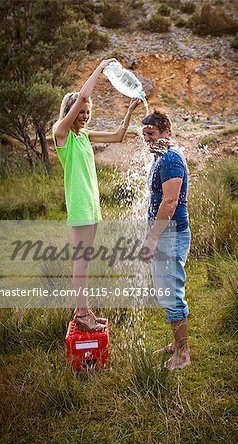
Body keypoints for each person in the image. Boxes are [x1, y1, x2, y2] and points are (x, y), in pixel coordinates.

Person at [53, 58, 140, 332]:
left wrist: (129, 112)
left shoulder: (84, 137)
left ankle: (86, 310)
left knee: (85, 262)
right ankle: (81, 313)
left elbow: (118, 137)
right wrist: (101, 67)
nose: (85, 115)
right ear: (71, 110)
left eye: (88, 112)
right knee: (81, 261)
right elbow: (84, 95)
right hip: (79, 207)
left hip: (91, 206)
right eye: (81, 111)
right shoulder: (62, 134)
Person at [141, 110, 191, 370]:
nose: (147, 140)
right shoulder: (162, 157)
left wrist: (151, 239)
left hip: (170, 237)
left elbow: (169, 203)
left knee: (172, 295)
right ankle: (177, 343)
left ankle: (183, 354)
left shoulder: (170, 159)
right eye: (144, 135)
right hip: (166, 236)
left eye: (151, 134)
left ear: (166, 133)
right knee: (168, 293)